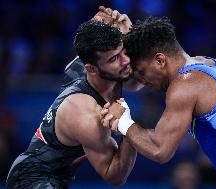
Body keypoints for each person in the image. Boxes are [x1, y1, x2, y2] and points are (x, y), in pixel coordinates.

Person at [102, 17, 216, 188]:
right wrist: (131, 35)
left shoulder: (185, 86)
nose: (141, 80)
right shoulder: (210, 63)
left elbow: (160, 150)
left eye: (141, 71)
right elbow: (148, 50)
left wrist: (124, 121)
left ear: (160, 60)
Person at [6, 7, 141, 188]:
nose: (125, 61)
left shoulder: (93, 67)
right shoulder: (86, 115)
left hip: (59, 178)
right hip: (31, 180)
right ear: (91, 69)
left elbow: (140, 79)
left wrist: (131, 35)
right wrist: (128, 129)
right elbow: (114, 176)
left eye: (124, 51)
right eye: (114, 59)